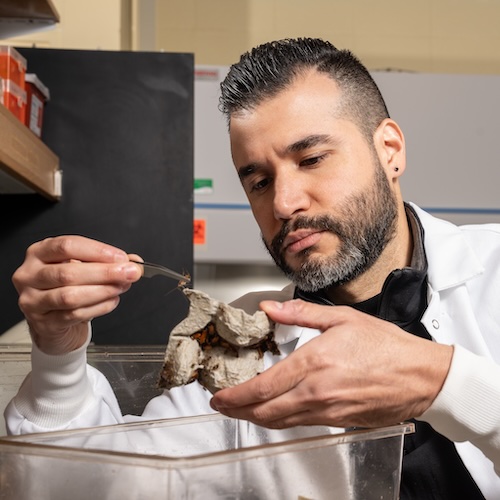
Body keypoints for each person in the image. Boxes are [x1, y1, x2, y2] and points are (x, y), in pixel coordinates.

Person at [4, 38, 500, 498]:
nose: (283, 203)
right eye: (258, 181)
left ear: (389, 150)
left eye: (311, 158)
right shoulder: (234, 340)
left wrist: (445, 383)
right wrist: (59, 354)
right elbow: (84, 486)